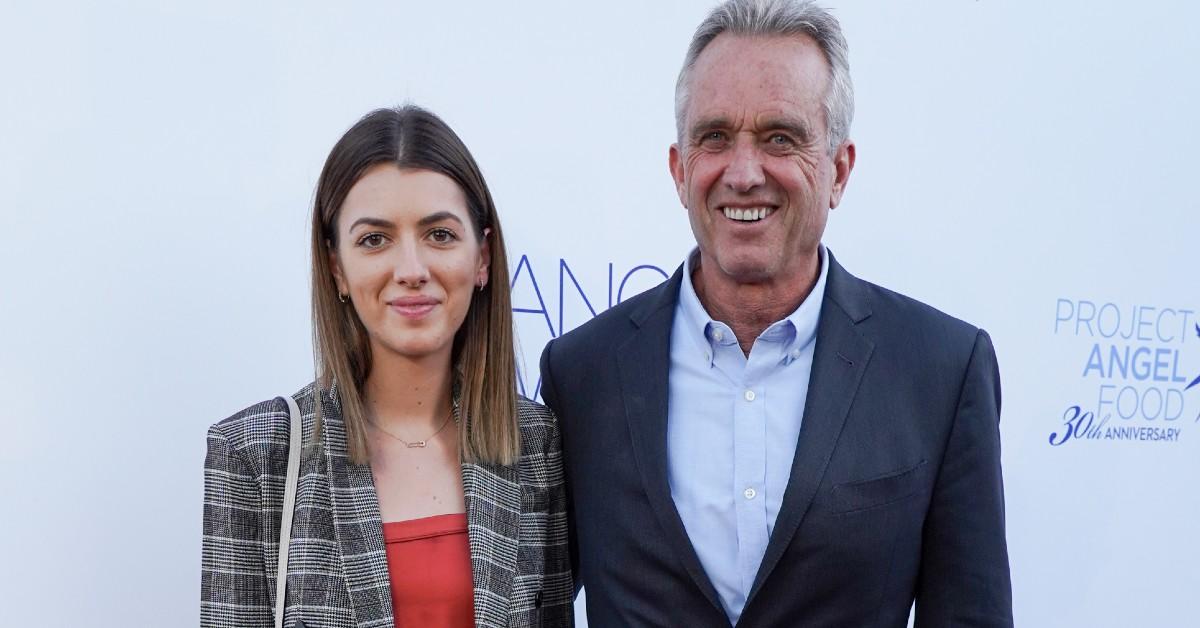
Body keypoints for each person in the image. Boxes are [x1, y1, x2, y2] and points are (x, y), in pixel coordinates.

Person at [539, 1, 1013, 626]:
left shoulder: (941, 371)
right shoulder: (582, 373)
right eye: (714, 137)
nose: (742, 173)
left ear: (838, 171)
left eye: (780, 138)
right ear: (680, 171)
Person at [202, 106, 573, 628]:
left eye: (439, 235)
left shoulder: (535, 444)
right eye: (374, 239)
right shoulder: (254, 455)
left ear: (482, 257)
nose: (412, 270)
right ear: (337, 267)